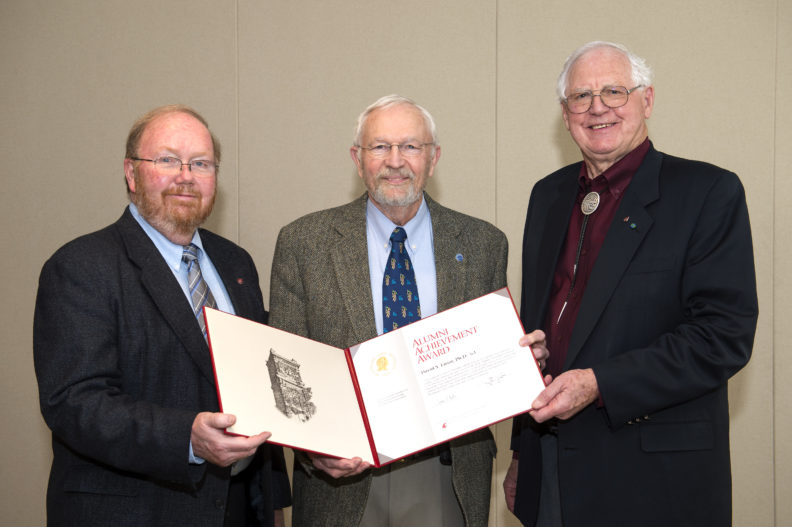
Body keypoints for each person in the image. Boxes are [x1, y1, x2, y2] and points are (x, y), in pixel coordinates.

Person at [505, 41, 759, 527]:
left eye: (614, 91)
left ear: (647, 100)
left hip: (654, 479)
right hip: (553, 471)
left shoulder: (706, 193)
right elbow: (540, 325)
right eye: (581, 96)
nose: (597, 107)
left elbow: (722, 337)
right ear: (565, 114)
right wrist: (521, 453)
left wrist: (599, 384)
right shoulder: (548, 195)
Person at [268, 94, 549, 527]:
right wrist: (312, 449)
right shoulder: (304, 242)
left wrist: (519, 364)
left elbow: (488, 360)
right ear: (357, 159)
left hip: (447, 475)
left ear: (433, 159)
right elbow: (286, 366)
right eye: (380, 147)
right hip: (342, 481)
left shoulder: (482, 244)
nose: (395, 161)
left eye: (411, 147)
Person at [33, 105, 290, 526]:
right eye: (168, 159)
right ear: (131, 174)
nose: (186, 175)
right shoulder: (81, 266)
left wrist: (273, 502)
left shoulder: (235, 262)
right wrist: (185, 437)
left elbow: (260, 380)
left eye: (201, 164)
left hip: (238, 510)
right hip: (136, 511)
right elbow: (75, 403)